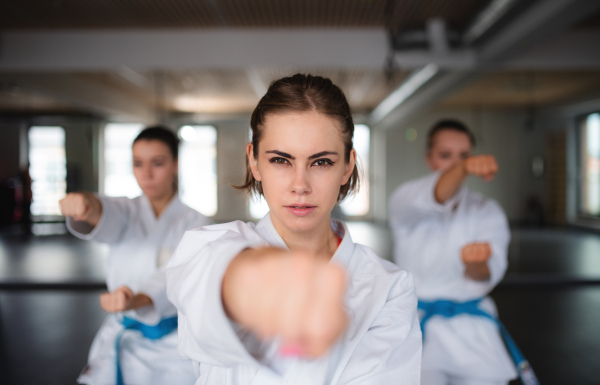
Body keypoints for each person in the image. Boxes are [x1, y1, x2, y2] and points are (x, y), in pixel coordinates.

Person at [166, 74, 422, 384]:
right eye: (280, 160)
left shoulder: (390, 288)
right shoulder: (203, 249)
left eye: (321, 162)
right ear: (254, 162)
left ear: (348, 166)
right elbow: (208, 278)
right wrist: (248, 281)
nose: (300, 185)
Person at [388, 120, 536, 385]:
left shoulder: (487, 210)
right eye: (446, 156)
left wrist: (475, 265)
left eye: (464, 156)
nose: (456, 163)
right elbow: (439, 193)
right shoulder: (405, 198)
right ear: (429, 158)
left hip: (473, 328)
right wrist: (464, 167)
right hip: (417, 325)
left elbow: (485, 276)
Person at [59, 126, 211, 385]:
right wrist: (86, 204)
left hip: (174, 342)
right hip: (123, 331)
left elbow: (174, 276)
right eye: (138, 164)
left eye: (158, 163)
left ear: (175, 165)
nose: (147, 174)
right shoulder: (127, 211)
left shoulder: (197, 222)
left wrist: (137, 299)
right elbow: (104, 211)